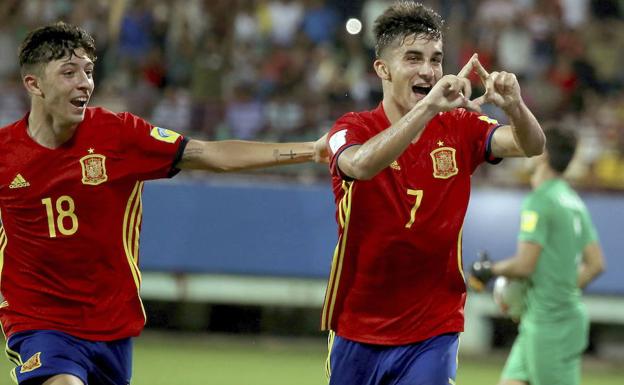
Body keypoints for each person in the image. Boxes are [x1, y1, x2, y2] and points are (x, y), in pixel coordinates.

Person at [0, 22, 327, 385]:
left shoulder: (118, 135)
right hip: (38, 321)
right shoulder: (5, 153)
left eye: (89, 72)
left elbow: (213, 154)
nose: (85, 83)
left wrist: (310, 150)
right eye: (69, 73)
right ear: (34, 84)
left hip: (110, 325)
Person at [321, 2, 545, 385]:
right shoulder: (352, 128)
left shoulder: (460, 126)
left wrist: (516, 106)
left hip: (433, 327)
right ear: (383, 69)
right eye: (413, 58)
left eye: (436, 59)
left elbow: (531, 145)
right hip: (357, 324)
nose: (428, 70)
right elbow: (359, 166)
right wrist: (427, 108)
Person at [470, 125, 606, 385]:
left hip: (549, 324)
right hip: (552, 315)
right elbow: (596, 264)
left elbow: (524, 266)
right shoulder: (573, 201)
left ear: (542, 155)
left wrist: (488, 269)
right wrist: (561, 290)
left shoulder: (540, 201)